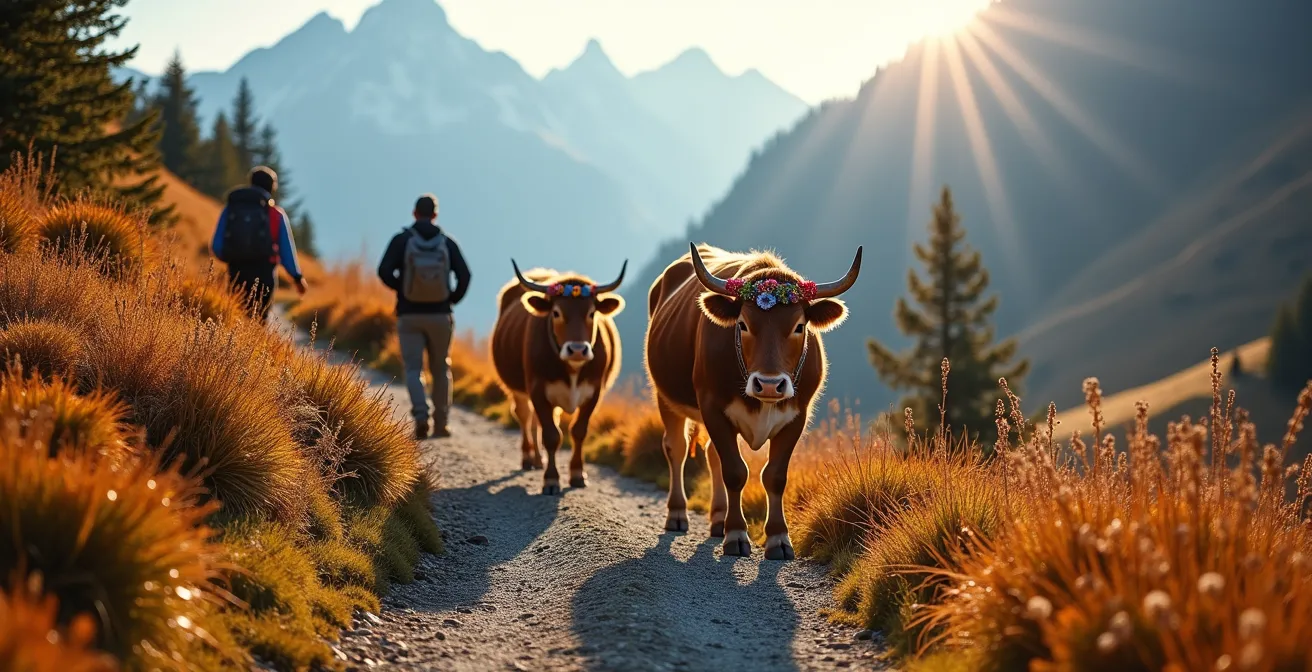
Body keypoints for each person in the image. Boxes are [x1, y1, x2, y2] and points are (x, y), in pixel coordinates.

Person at [377, 194, 471, 440]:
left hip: (409, 315)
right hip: (440, 315)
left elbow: (383, 270)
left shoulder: (402, 240)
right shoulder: (447, 243)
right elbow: (465, 275)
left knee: (413, 369)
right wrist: (451, 299)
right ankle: (442, 423)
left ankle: (421, 415)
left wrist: (402, 289)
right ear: (435, 215)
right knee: (441, 369)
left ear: (414, 213)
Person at [211, 166, 307, 322]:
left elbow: (216, 245)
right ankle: (254, 346)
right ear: (271, 187)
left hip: (236, 271)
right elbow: (286, 251)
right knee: (258, 320)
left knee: (236, 318)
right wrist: (297, 278)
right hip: (264, 273)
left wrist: (232, 257)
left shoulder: (231, 208)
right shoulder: (275, 214)